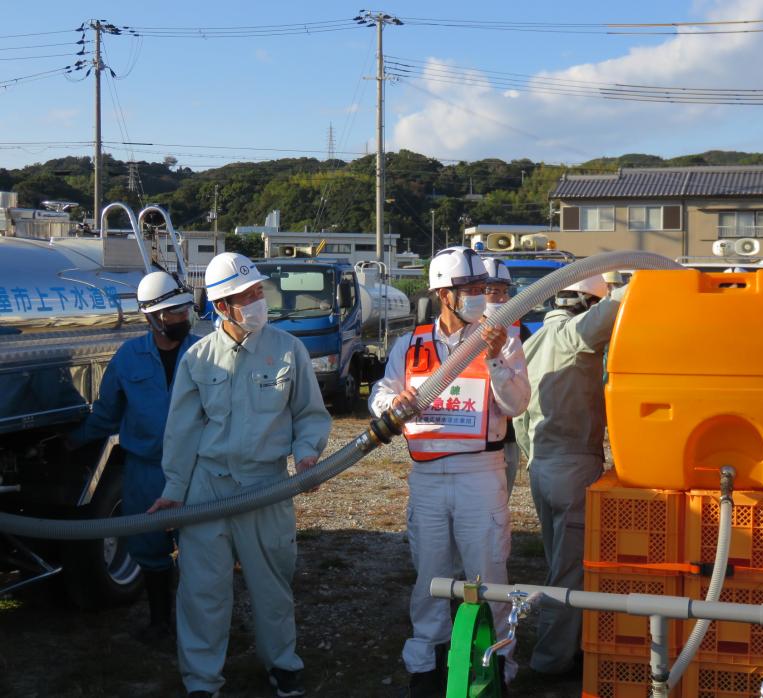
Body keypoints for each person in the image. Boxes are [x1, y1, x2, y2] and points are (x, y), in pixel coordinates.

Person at [148, 252, 332, 698]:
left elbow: (309, 414)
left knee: (272, 584)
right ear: (221, 306)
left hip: (267, 485)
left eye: (257, 292)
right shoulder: (199, 358)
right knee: (202, 591)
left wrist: (307, 455)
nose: (256, 301)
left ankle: (283, 665)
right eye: (244, 295)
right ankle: (202, 681)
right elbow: (182, 431)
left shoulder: (289, 350)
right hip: (207, 487)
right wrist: (175, 490)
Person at [369, 246, 530, 697]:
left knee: (489, 573)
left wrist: (497, 359)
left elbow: (517, 404)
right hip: (426, 478)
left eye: (483, 287)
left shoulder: (502, 340)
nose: (482, 296)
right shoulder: (411, 343)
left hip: (481, 471)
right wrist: (389, 403)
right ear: (444, 293)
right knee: (430, 575)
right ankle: (426, 662)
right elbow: (383, 389)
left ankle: (499, 662)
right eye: (471, 289)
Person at [69, 271, 198, 640]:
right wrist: (73, 441)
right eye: (172, 313)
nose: (181, 319)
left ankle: (198, 628)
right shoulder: (128, 359)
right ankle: (160, 623)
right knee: (150, 550)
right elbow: (106, 416)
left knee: (200, 551)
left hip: (197, 470)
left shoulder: (204, 352)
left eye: (184, 310)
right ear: (152, 318)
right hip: (146, 473)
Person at [513, 275, 625, 676]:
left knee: (556, 563)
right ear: (584, 303)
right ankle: (551, 661)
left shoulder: (531, 343)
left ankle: (571, 644)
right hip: (573, 466)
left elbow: (520, 416)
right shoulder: (575, 334)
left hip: (540, 466)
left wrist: (531, 459)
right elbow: (612, 310)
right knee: (568, 574)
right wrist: (629, 286)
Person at [481, 256, 522, 498]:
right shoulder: (459, 334)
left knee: (499, 503)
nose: (502, 299)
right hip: (468, 438)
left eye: (505, 291)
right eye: (494, 291)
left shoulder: (518, 331)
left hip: (507, 436)